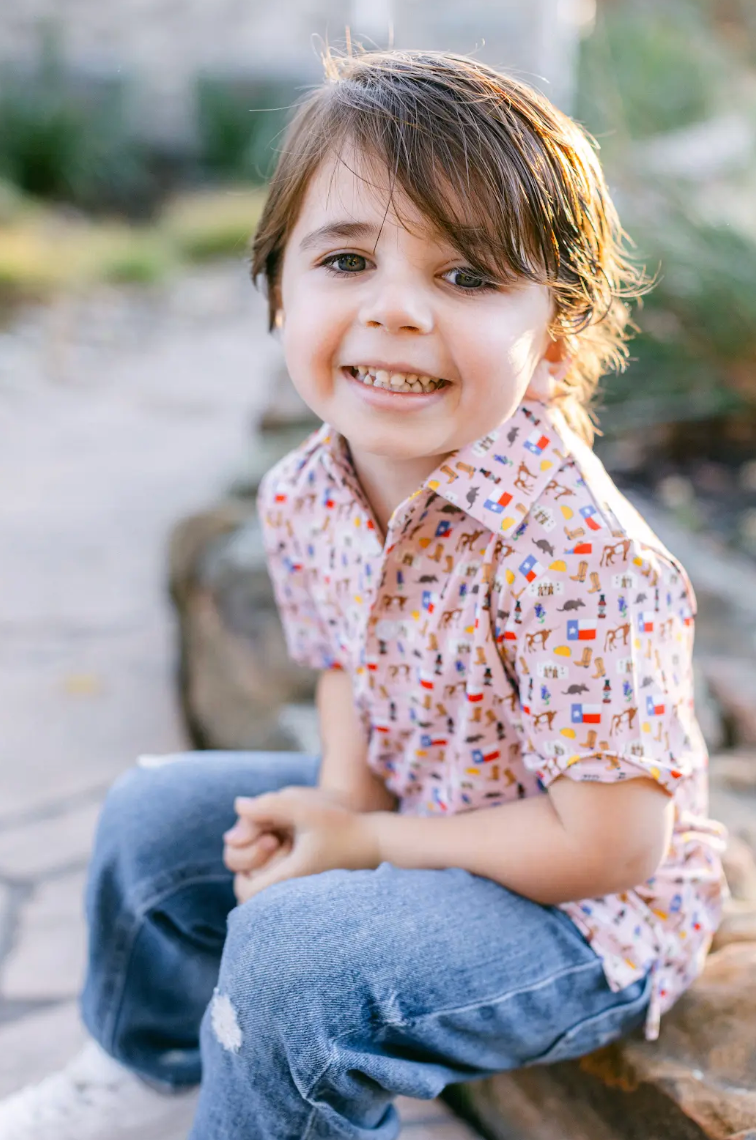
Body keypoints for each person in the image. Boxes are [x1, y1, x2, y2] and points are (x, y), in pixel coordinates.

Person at [0, 47, 728, 1140]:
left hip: (585, 919)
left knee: (300, 962)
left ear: (555, 345)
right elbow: (349, 667)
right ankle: (150, 1074)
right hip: (435, 810)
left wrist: (370, 850)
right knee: (152, 819)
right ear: (277, 291)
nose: (397, 312)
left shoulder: (579, 554)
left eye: (468, 276)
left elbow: (613, 843)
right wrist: (342, 806)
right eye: (347, 260)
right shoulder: (309, 490)